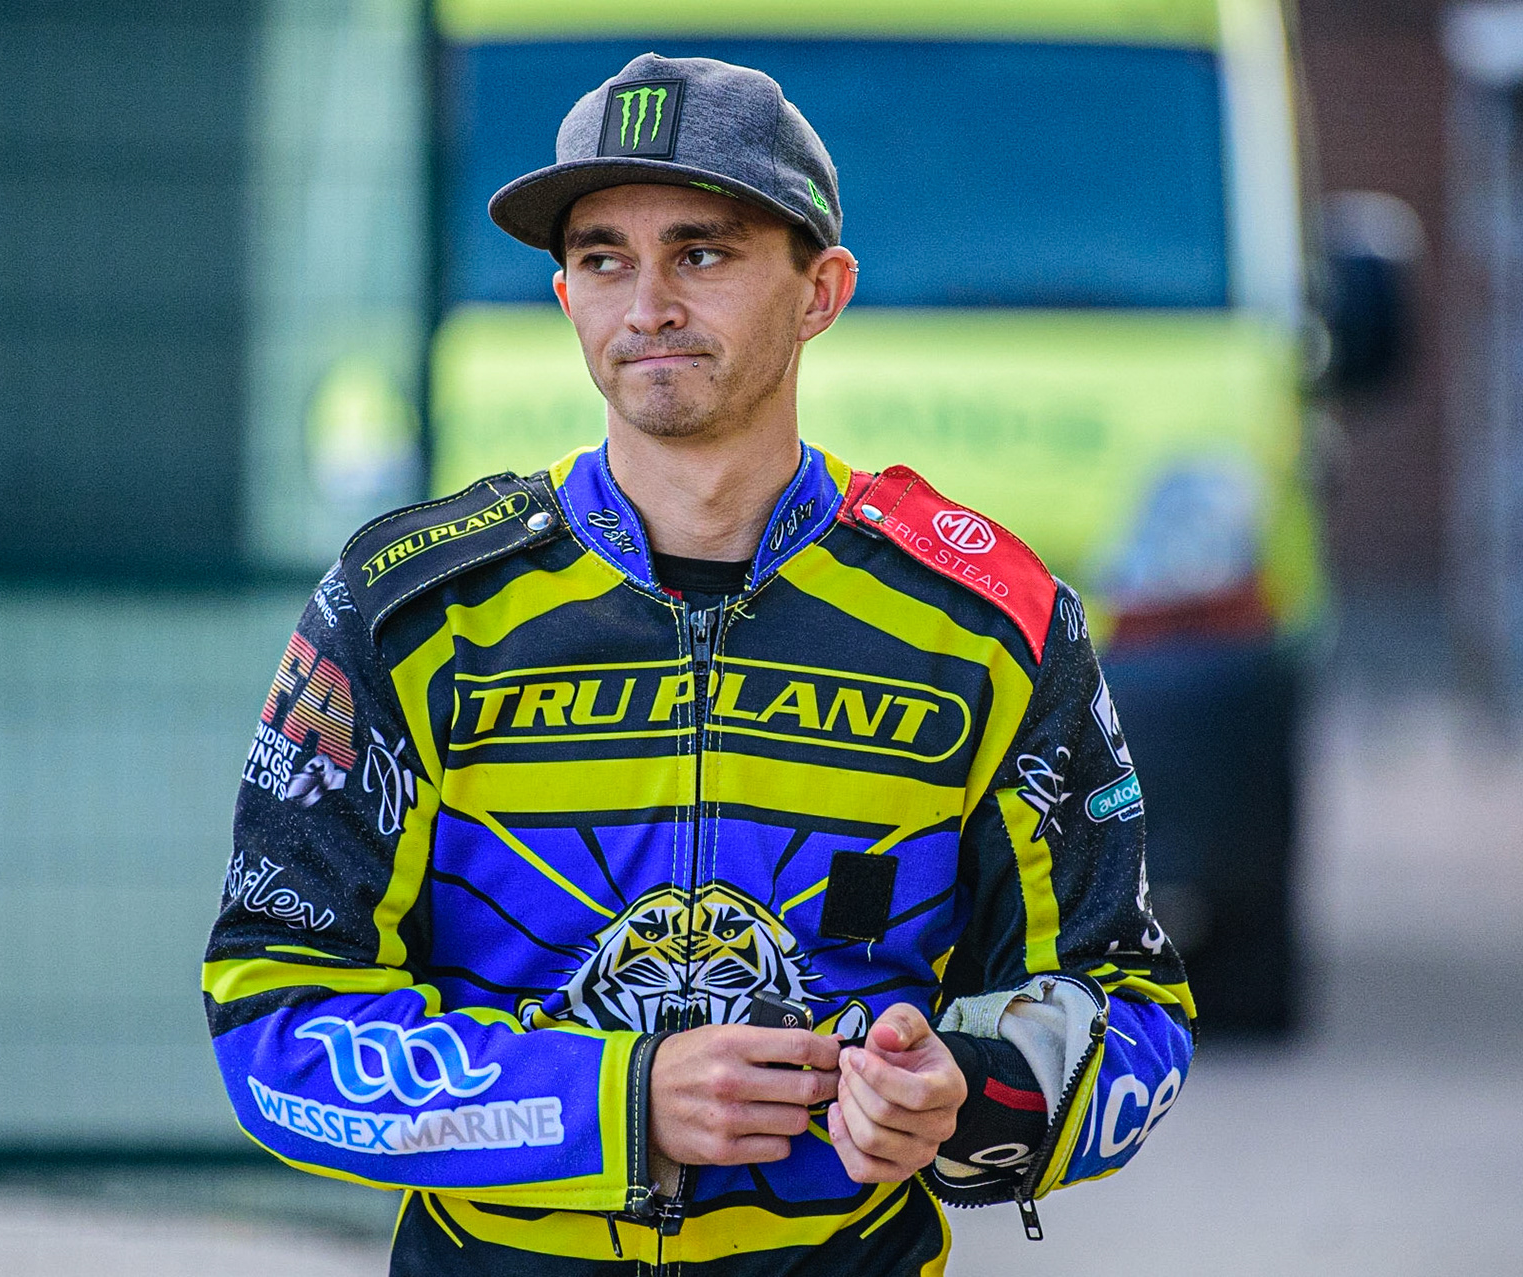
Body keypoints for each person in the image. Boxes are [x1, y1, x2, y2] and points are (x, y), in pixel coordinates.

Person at [203, 53, 1193, 1275]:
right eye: (605, 258)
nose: (647, 303)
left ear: (820, 290)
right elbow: (271, 1020)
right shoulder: (408, 611)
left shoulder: (989, 624)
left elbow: (1127, 1005)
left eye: (702, 253)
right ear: (564, 293)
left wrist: (969, 1097)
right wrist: (618, 1100)